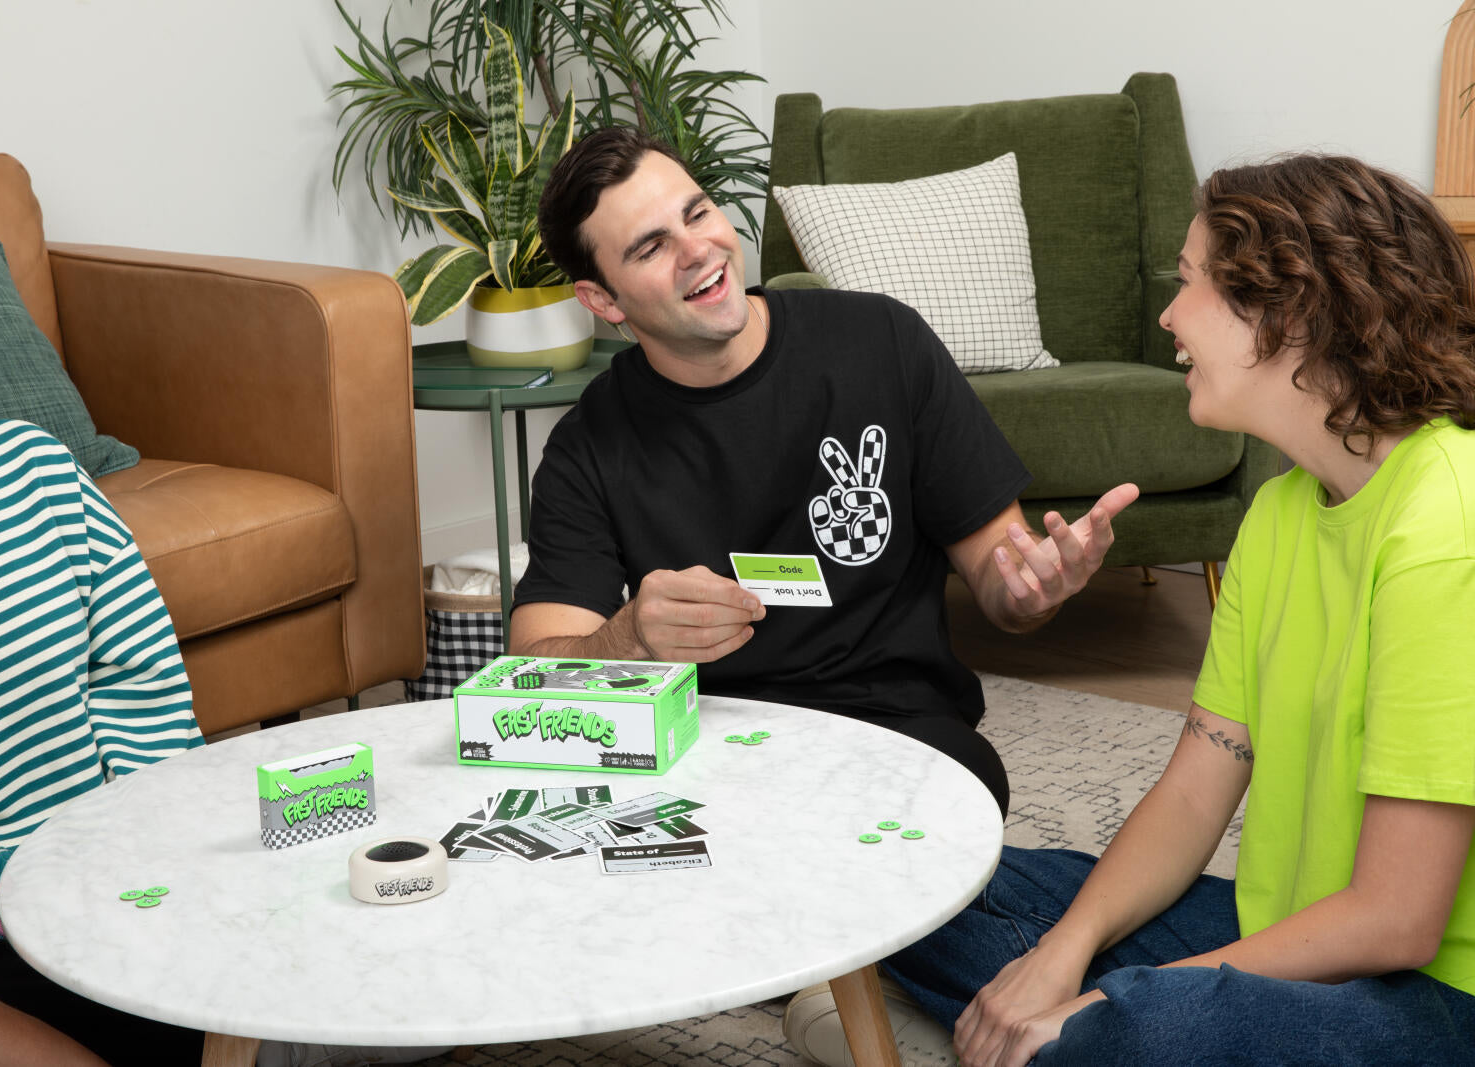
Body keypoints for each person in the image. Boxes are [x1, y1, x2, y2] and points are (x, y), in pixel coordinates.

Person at [786, 153, 1475, 1067]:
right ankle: (1038, 1028)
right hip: (1287, 934)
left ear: (1290, 312)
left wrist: (1108, 1000)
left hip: (1434, 1000)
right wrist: (1061, 954)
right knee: (914, 870)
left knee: (1149, 1028)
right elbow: (1194, 791)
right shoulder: (1278, 512)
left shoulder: (1446, 524)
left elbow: (1397, 919)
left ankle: (1027, 1034)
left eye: (1189, 283)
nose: (1168, 318)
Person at [514, 127, 1138, 816]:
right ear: (603, 300)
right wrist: (628, 637)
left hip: (894, 728)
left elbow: (1000, 577)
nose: (697, 251)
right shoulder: (588, 444)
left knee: (960, 796)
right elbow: (532, 675)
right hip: (701, 748)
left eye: (697, 213)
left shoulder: (883, 342)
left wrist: (1033, 586)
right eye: (651, 247)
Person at [0, 198, 205, 1065]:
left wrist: (133, 851)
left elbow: (140, 683)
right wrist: (1, 885)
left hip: (126, 867)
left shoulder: (30, 467)